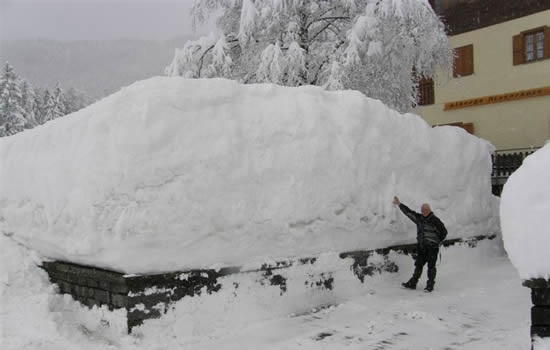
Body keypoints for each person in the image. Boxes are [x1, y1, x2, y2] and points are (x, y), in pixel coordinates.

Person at [393, 196, 447, 292]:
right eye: (422, 210)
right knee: (418, 265)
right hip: (422, 247)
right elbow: (409, 213)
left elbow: (444, 232)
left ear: (429, 210)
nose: (424, 211)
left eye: (426, 209)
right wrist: (399, 204)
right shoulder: (419, 219)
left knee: (431, 266)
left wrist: (436, 241)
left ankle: (430, 285)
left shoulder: (435, 220)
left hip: (432, 248)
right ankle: (413, 283)